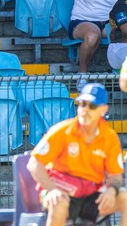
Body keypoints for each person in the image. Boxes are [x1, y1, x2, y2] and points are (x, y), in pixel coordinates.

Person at [28, 83, 127, 226]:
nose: (85, 110)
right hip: (61, 191)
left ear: (103, 109)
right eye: (82, 104)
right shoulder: (62, 131)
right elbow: (34, 163)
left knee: (124, 197)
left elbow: (116, 175)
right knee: (58, 202)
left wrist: (112, 190)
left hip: (92, 195)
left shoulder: (109, 137)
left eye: (91, 106)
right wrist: (52, 189)